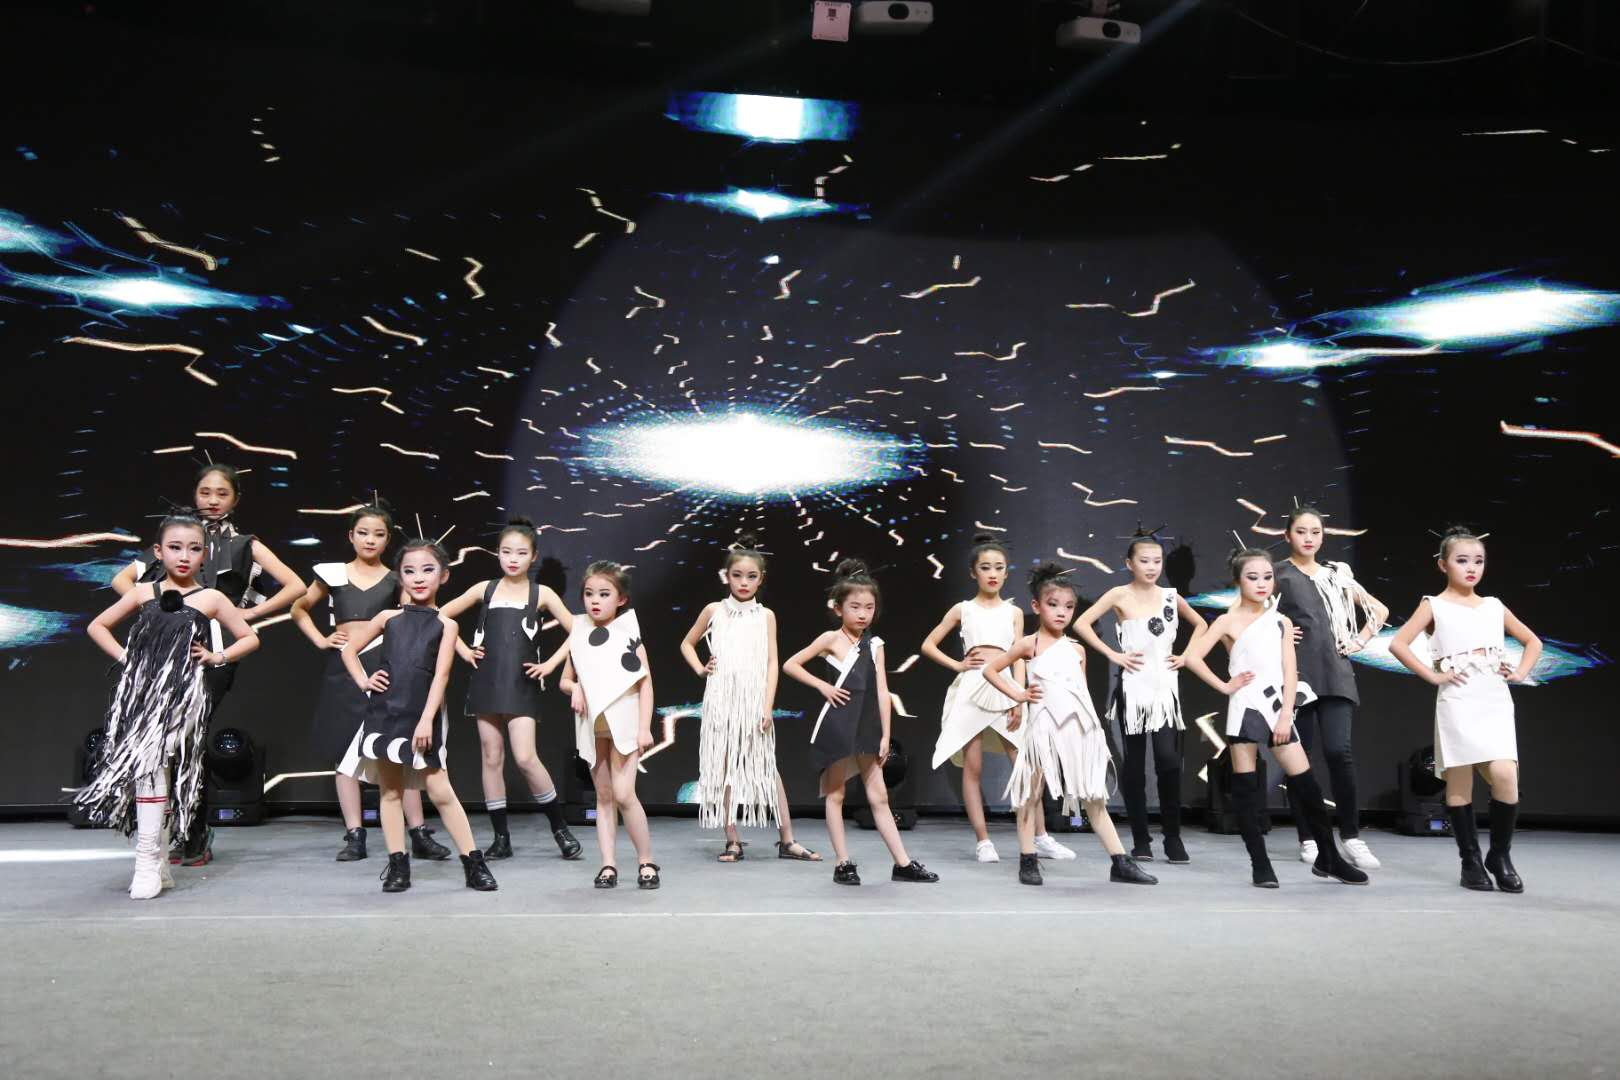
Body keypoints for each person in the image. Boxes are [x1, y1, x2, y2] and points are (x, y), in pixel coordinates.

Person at [111, 463, 306, 866]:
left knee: (187, 737)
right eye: (205, 492)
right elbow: (121, 581)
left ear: (236, 499)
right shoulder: (180, 536)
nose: (213, 500)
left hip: (214, 652)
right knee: (161, 740)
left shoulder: (245, 544)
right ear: (194, 494)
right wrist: (157, 615)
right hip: (167, 654)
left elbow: (296, 585)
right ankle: (171, 830)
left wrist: (248, 613)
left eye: (222, 493)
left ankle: (193, 832)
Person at [78, 514, 261, 899]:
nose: (184, 556)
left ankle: (146, 862)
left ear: (205, 555)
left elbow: (249, 638)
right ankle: (158, 862)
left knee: (153, 762)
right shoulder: (143, 592)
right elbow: (97, 626)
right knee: (153, 768)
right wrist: (128, 659)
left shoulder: (211, 598)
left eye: (194, 549)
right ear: (158, 552)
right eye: (175, 547)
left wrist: (216, 657)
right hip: (141, 696)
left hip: (184, 696)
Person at [1181, 548, 1368, 888]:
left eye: (1267, 577)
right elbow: (1192, 657)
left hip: (1278, 707)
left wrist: (1285, 715)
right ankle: (1260, 864)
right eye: (1253, 577)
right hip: (1245, 707)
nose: (1262, 583)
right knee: (1246, 789)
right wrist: (1225, 686)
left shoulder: (1281, 621)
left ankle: (1329, 857)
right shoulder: (1226, 621)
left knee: (1308, 785)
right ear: (1238, 581)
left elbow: (1290, 671)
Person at [289, 503, 449, 861]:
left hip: (387, 667)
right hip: (345, 668)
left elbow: (416, 620)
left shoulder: (397, 578)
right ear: (351, 535)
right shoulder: (333, 573)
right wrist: (321, 639)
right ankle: (354, 835)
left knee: (398, 749)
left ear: (388, 539)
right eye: (363, 532)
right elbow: (298, 608)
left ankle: (418, 833)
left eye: (378, 534)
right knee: (344, 751)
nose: (370, 540)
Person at [981, 565, 1157, 887]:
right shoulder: (1029, 645)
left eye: (1068, 606)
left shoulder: (1077, 649)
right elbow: (990, 670)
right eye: (1053, 604)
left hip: (1079, 731)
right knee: (1029, 795)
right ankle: (1028, 859)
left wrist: (1094, 733)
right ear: (1037, 606)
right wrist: (1018, 695)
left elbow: (1083, 693)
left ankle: (1120, 862)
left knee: (1094, 797)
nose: (1061, 612)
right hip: (1043, 731)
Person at [338, 537, 497, 893]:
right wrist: (365, 681)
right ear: (400, 576)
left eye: (428, 570)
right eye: (410, 571)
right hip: (385, 714)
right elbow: (349, 650)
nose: (419, 578)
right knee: (390, 791)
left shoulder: (446, 625)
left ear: (443, 575)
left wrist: (426, 719)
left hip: (424, 715)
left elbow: (441, 676)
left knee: (440, 789)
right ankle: (398, 866)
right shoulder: (387, 618)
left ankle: (473, 863)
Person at [1388, 527, 1540, 893]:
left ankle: (1499, 856)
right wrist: (1432, 675)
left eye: (1478, 561)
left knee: (1505, 775)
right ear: (1443, 565)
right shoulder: (1433, 605)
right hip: (1457, 698)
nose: (1471, 568)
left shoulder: (1493, 606)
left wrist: (1520, 672)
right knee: (1460, 781)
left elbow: (1532, 641)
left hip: (1494, 697)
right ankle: (1470, 861)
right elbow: (1398, 643)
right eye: (1462, 560)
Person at [782, 560, 938, 887]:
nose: (863, 614)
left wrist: (886, 734)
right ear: (838, 608)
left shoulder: (876, 645)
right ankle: (843, 863)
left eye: (869, 607)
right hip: (838, 726)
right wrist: (823, 687)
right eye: (855, 607)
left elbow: (882, 691)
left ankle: (903, 863)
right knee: (836, 795)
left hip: (868, 728)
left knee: (879, 797)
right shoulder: (829, 639)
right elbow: (791, 664)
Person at [922, 533, 1073, 863]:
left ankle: (1041, 837)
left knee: (1026, 765)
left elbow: (1019, 657)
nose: (992, 573)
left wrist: (1018, 697)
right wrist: (958, 665)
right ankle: (983, 841)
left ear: (1006, 572)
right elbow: (928, 645)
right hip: (972, 688)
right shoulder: (963, 609)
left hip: (1005, 687)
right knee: (973, 766)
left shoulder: (1014, 612)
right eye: (985, 567)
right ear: (973, 572)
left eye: (999, 567)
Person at [440, 517, 580, 861]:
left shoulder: (541, 593)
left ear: (533, 556)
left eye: (520, 553)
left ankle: (560, 829)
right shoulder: (484, 589)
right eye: (506, 552)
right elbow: (441, 615)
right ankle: (501, 838)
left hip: (522, 684)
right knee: (491, 756)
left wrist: (550, 664)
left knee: (526, 757)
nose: (513, 559)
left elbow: (579, 631)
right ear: (497, 553)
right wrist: (464, 651)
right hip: (486, 681)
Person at [679, 534, 820, 863]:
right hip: (721, 701)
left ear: (761, 579)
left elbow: (772, 663)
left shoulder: (765, 615)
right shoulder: (714, 610)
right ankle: (732, 840)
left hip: (754, 703)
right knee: (724, 767)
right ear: (726, 576)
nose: (744, 582)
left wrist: (767, 706)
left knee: (767, 767)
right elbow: (687, 643)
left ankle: (787, 840)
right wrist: (700, 668)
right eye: (737, 575)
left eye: (751, 576)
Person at [1074, 535, 1207, 864]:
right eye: (1144, 561)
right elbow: (1081, 623)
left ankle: (1173, 837)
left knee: (1168, 761)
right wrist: (1113, 654)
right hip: (1133, 688)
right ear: (1129, 563)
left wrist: (1187, 656)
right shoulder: (1119, 594)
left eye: (1157, 561)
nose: (1151, 567)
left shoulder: (1170, 597)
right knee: (1134, 765)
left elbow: (1201, 624)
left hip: (1165, 689)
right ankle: (1140, 839)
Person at [1274, 506, 1389, 871]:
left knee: (1340, 752)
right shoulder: (1278, 574)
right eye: (1301, 531)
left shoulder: (1336, 575)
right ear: (1287, 535)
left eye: (1316, 532)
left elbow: (1379, 610)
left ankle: (1351, 836)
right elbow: (1252, 614)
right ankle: (1308, 837)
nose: (1309, 538)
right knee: (1301, 758)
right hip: (1297, 676)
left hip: (1336, 674)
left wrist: (1359, 640)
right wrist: (1278, 630)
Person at [558, 561, 659, 889]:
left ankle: (646, 861)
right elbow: (565, 680)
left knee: (624, 794)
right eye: (589, 594)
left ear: (621, 599)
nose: (595, 600)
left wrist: (644, 727)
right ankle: (608, 865)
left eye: (604, 594)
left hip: (624, 724)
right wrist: (575, 687)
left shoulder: (629, 635)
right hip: (592, 727)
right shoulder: (579, 634)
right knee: (603, 796)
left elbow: (645, 684)